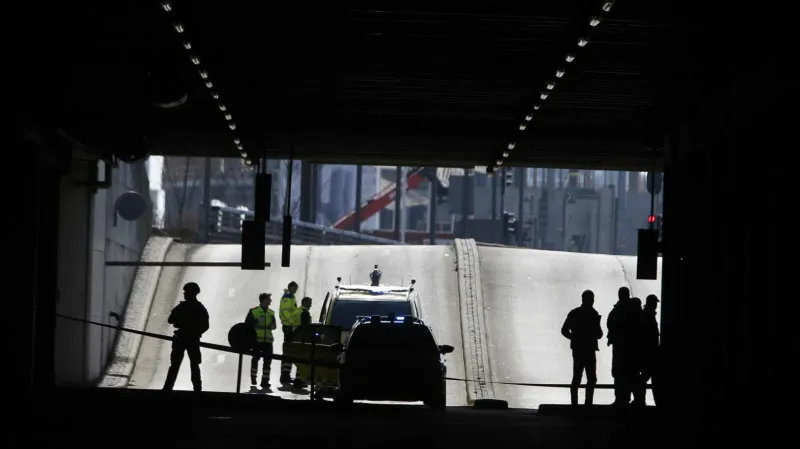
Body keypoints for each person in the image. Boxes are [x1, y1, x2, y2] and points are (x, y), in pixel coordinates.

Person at [163, 282, 210, 392]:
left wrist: (182, 322)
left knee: (175, 365)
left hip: (181, 338)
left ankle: (167, 389)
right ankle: (197, 389)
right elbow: (205, 325)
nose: (184, 294)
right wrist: (196, 331)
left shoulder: (182, 307)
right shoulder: (200, 308)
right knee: (194, 365)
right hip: (193, 339)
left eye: (186, 292)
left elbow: (170, 320)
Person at [561, 290, 603, 405]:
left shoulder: (575, 313)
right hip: (589, 349)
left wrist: (574, 338)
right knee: (591, 378)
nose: (592, 301)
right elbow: (599, 334)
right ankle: (588, 404)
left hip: (578, 349)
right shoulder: (593, 314)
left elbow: (564, 330)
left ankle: (574, 404)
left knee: (577, 378)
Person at [607, 286, 642, 406]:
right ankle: (635, 399)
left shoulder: (618, 309)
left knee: (621, 374)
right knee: (631, 374)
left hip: (621, 347)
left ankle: (622, 399)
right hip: (630, 347)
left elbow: (611, 324)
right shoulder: (633, 309)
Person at [245, 293, 277, 390]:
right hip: (257, 340)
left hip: (268, 341)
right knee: (255, 359)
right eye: (269, 299)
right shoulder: (254, 311)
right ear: (264, 300)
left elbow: (274, 326)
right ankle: (253, 377)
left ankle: (265, 381)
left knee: (268, 362)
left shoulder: (271, 313)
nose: (270, 301)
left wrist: (271, 326)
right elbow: (247, 325)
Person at [634, 294, 661, 406]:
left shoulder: (645, 315)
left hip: (647, 353)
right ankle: (640, 400)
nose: (656, 305)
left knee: (646, 377)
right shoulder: (648, 316)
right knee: (649, 377)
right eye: (654, 303)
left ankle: (639, 400)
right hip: (649, 353)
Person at [290, 297, 314, 389]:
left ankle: (299, 380)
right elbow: (305, 327)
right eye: (310, 303)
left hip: (295, 338)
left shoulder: (297, 311)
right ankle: (299, 381)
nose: (311, 305)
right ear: (305, 302)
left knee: (299, 360)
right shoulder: (305, 313)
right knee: (303, 360)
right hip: (302, 339)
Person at [278, 281, 300, 384]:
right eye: (295, 288)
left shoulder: (291, 296)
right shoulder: (288, 296)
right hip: (289, 326)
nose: (296, 290)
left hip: (289, 326)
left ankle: (286, 374)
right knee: (289, 350)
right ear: (291, 287)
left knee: (289, 350)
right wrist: (293, 322)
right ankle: (284, 375)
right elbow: (285, 311)